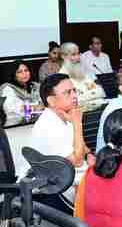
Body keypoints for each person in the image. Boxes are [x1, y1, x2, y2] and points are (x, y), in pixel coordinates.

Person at [29, 73, 91, 201]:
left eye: (74, 91)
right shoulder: (48, 125)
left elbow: (84, 149)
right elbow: (77, 161)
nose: (74, 96)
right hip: (58, 189)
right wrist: (77, 123)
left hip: (72, 178)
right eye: (67, 93)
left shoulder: (65, 117)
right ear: (51, 101)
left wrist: (90, 156)